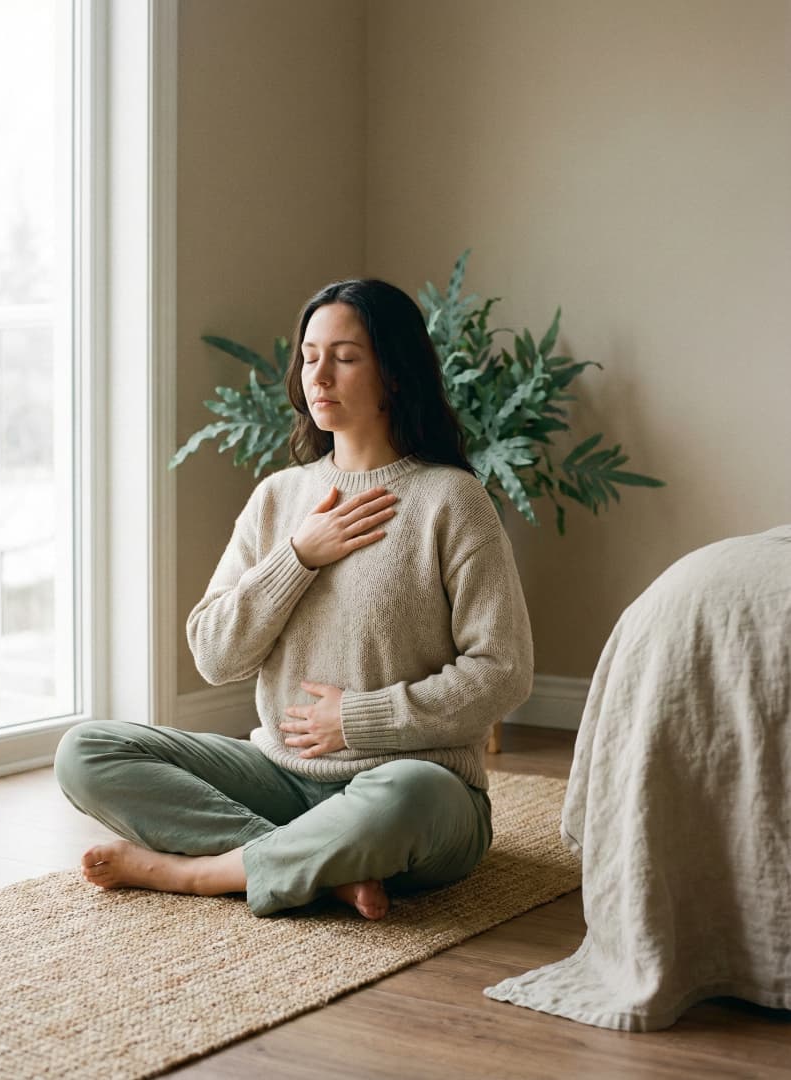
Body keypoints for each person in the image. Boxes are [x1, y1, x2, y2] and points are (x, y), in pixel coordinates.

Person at [54, 278, 533, 920]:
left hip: (411, 788)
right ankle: (315, 866)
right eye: (309, 356)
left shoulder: (452, 500)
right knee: (86, 752)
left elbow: (504, 672)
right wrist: (297, 557)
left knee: (409, 792)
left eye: (345, 356)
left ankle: (201, 873)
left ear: (393, 372)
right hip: (279, 780)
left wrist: (357, 720)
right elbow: (214, 654)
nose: (320, 375)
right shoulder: (279, 498)